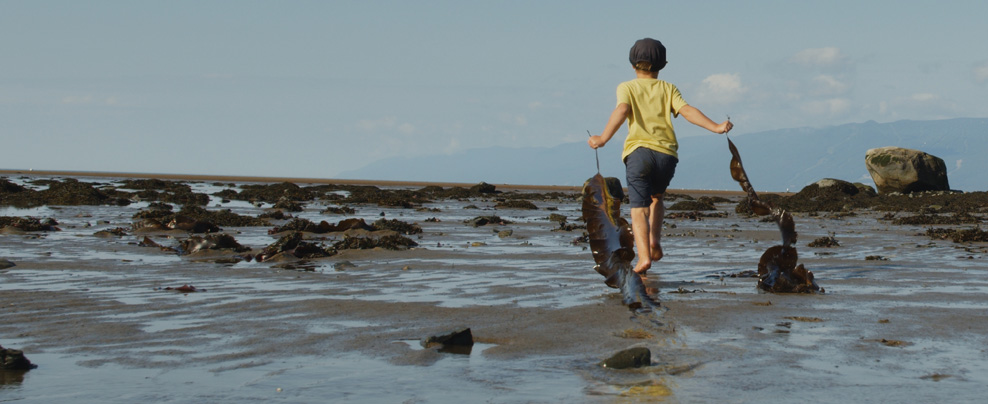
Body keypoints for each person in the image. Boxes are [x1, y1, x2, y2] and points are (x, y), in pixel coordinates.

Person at [588, 38, 733, 275]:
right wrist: (716, 126)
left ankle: (644, 258)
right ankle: (655, 241)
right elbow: (687, 111)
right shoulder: (668, 88)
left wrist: (602, 138)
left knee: (638, 208)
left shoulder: (627, 87)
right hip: (667, 156)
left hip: (639, 153)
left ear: (632, 64)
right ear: (662, 65)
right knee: (656, 198)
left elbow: (622, 110)